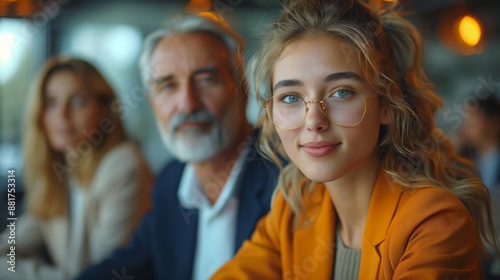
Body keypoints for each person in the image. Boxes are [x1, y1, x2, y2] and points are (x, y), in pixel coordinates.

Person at [212, 0, 499, 279]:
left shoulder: (433, 221)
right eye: (290, 97)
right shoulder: (295, 211)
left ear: (386, 105)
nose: (314, 122)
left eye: (341, 92)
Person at [76, 14, 279, 280]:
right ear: (152, 104)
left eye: (206, 80)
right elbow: (126, 268)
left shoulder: (285, 178)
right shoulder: (169, 184)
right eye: (168, 86)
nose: (187, 103)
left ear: (243, 90)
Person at [0, 57, 152, 280]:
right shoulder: (61, 168)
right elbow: (23, 234)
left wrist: (11, 271)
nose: (62, 114)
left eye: (78, 101)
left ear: (105, 109)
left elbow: (101, 275)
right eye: (51, 102)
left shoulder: (122, 166)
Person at [458, 95, 500, 278]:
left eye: (473, 119)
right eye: (466, 120)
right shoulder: (464, 163)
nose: (467, 125)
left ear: (494, 123)